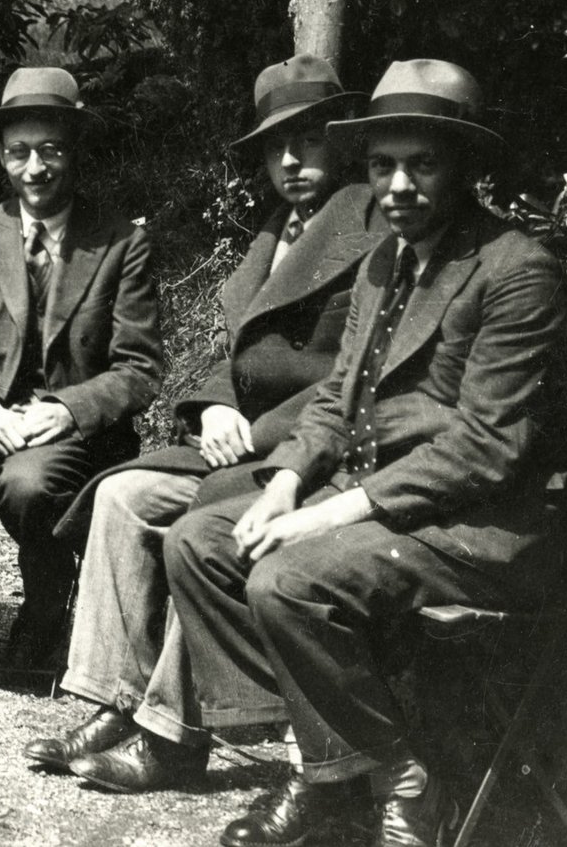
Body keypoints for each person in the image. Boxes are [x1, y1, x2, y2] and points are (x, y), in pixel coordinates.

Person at [165, 59, 567, 847]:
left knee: (286, 577)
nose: (398, 186)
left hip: (480, 527)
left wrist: (328, 516)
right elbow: (335, 399)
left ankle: (396, 786)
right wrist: (284, 484)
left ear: (464, 167)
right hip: (385, 504)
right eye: (383, 165)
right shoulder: (384, 261)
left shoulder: (516, 272)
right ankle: (349, 766)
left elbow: (488, 450)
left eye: (422, 164)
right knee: (202, 542)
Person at [23, 55, 385, 787]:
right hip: (244, 439)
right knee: (124, 496)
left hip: (312, 455)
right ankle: (110, 698)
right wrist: (215, 402)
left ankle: (173, 734)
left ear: (343, 140)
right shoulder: (274, 231)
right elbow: (238, 349)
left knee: (213, 516)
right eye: (275, 147)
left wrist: (256, 431)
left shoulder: (373, 228)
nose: (290, 160)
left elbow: (358, 378)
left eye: (309, 140)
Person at [0, 67, 163, 670]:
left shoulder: (120, 242)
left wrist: (69, 410)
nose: (35, 169)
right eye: (18, 152)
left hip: (65, 421)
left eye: (50, 150)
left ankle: (45, 607)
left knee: (27, 487)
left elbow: (138, 366)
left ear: (74, 152)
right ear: (1, 156)